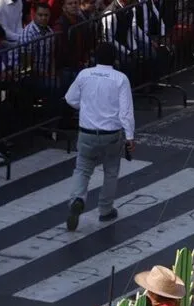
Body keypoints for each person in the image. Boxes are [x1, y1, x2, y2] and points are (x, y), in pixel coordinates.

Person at [63, 41, 134, 232]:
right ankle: (105, 209)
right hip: (111, 134)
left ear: (95, 57)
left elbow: (70, 98)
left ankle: (77, 198)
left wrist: (85, 107)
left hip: (87, 132)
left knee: (83, 168)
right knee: (110, 170)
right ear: (115, 59)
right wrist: (130, 137)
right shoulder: (120, 79)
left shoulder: (84, 75)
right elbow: (126, 112)